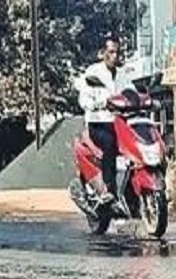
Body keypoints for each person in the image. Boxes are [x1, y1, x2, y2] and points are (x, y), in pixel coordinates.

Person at [78, 36, 132, 205]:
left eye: (117, 52)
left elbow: (131, 92)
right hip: (98, 124)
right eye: (111, 52)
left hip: (119, 123)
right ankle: (109, 188)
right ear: (103, 53)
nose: (115, 56)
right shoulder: (93, 72)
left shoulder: (123, 74)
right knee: (110, 144)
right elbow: (84, 100)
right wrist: (100, 103)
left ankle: (132, 193)